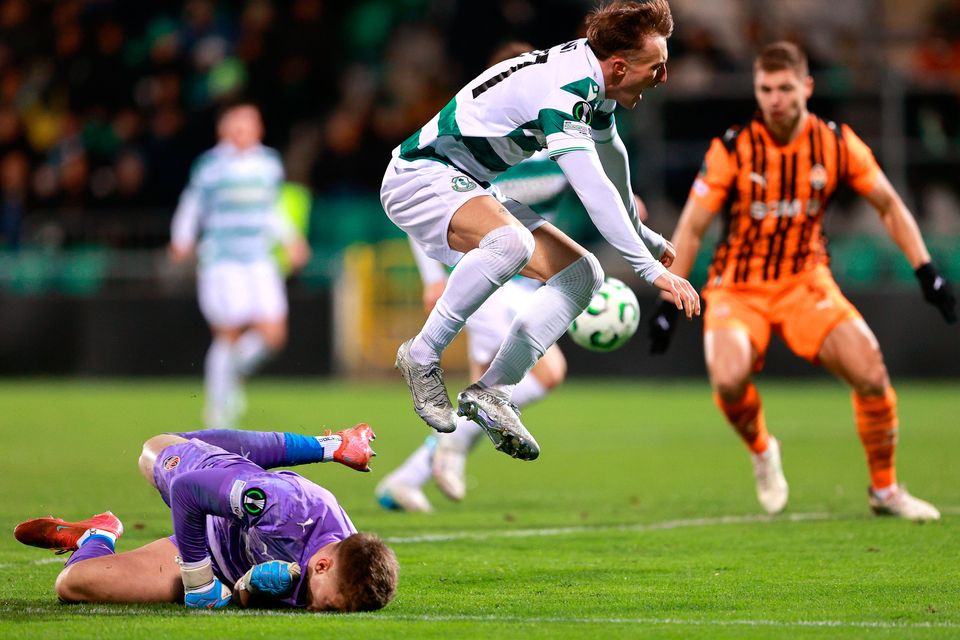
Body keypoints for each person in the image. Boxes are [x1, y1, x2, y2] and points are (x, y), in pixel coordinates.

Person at [647, 41, 956, 521]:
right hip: (737, 285)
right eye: (765, 88)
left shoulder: (835, 142)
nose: (775, 98)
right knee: (728, 380)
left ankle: (886, 490)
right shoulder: (733, 148)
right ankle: (762, 448)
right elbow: (691, 227)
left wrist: (927, 270)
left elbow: (890, 205)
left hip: (806, 282)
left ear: (806, 87)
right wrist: (669, 300)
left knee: (871, 374)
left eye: (785, 88)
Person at [381, 0, 700, 463]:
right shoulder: (567, 90)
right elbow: (593, 189)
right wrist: (650, 270)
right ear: (618, 66)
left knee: (582, 275)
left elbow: (612, 155)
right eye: (658, 66)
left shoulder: (592, 78)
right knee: (511, 242)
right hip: (419, 175)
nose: (664, 76)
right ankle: (423, 354)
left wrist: (643, 233)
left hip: (467, 184)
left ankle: (492, 391)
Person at [14, 424, 398, 611]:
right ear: (323, 564)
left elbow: (247, 593)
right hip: (204, 498)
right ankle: (328, 445)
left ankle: (97, 534)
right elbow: (187, 491)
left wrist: (249, 591)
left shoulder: (340, 572)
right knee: (154, 450)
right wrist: (197, 583)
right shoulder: (285, 510)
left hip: (225, 556)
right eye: (329, 608)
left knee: (73, 584)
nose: (321, 612)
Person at [170, 103, 311, 428]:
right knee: (229, 331)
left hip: (258, 258)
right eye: (240, 125)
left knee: (274, 334)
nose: (247, 130)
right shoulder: (210, 166)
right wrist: (182, 237)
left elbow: (270, 208)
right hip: (222, 261)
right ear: (225, 130)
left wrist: (291, 239)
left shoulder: (268, 163)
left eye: (251, 124)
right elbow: (192, 205)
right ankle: (217, 409)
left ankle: (231, 376)